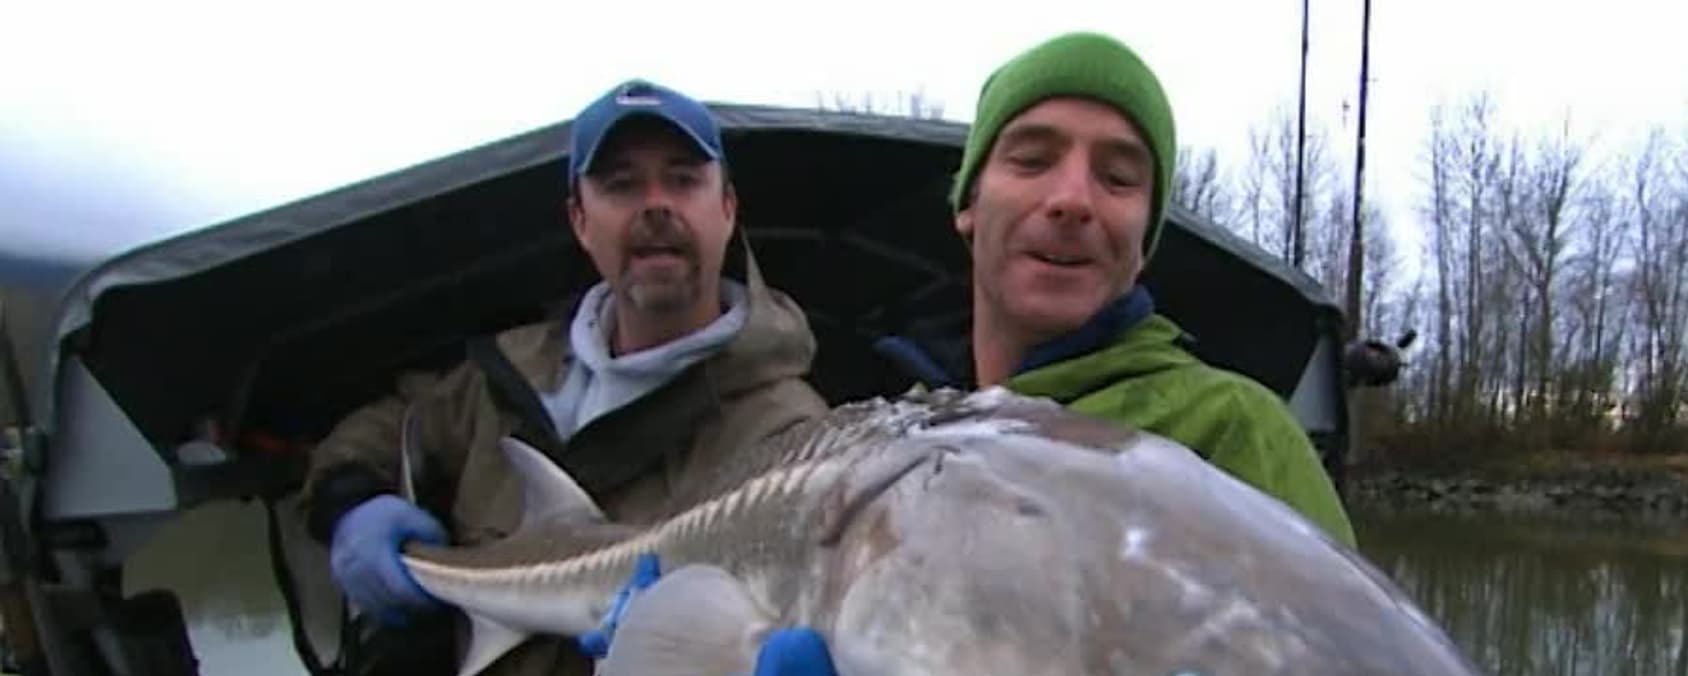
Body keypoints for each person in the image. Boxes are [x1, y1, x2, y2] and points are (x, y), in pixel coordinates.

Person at [297, 79, 836, 676]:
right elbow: (389, 426)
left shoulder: (794, 438)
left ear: (728, 208)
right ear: (580, 219)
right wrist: (351, 504)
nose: (656, 205)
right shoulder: (507, 375)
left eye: (683, 179)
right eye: (622, 185)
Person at [874, 31, 1358, 548]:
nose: (1073, 200)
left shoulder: (1234, 429)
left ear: (1143, 242)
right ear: (969, 204)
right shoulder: (895, 438)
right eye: (1032, 160)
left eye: (1119, 177)